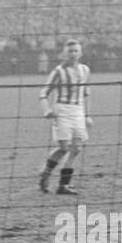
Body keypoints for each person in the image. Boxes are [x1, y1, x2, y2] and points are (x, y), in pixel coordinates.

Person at [38, 39, 92, 196]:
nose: (74, 54)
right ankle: (45, 174)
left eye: (76, 51)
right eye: (70, 51)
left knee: (76, 148)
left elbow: (86, 93)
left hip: (78, 111)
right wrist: (47, 110)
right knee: (63, 148)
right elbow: (43, 93)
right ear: (64, 54)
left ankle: (64, 185)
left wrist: (87, 115)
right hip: (62, 111)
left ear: (80, 53)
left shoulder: (85, 70)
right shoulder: (58, 71)